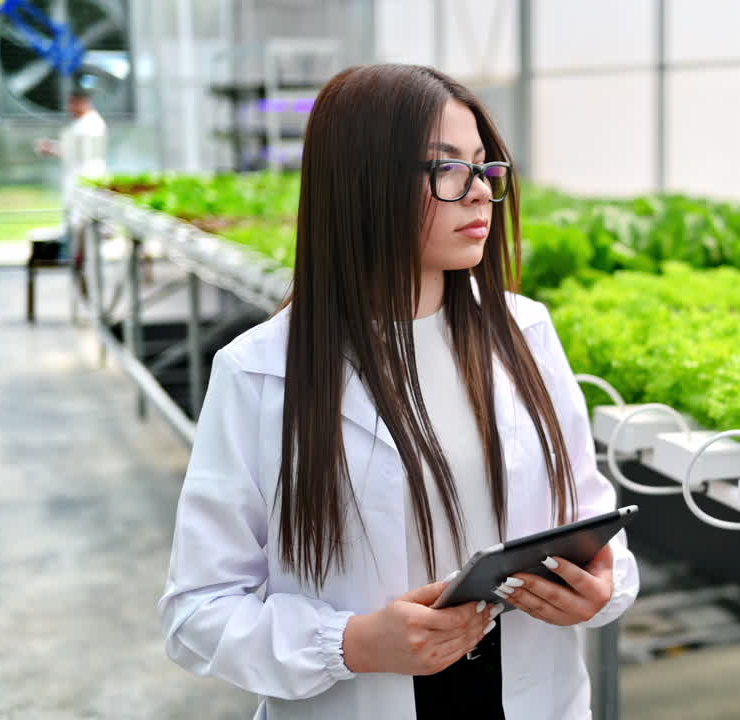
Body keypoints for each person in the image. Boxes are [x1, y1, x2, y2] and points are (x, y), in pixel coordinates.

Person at [156, 64, 640, 720]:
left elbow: (589, 514)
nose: (478, 195)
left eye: (485, 168)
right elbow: (198, 612)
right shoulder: (262, 372)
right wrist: (352, 644)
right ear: (362, 183)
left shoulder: (526, 332)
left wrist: (602, 585)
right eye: (447, 169)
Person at [36, 87, 107, 263]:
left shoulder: (92, 124)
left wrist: (52, 148)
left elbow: (80, 152)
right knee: (77, 225)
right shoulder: (82, 124)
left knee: (85, 226)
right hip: (78, 181)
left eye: (72, 104)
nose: (70, 108)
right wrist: (53, 147)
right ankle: (78, 258)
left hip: (88, 180)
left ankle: (83, 259)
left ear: (81, 102)